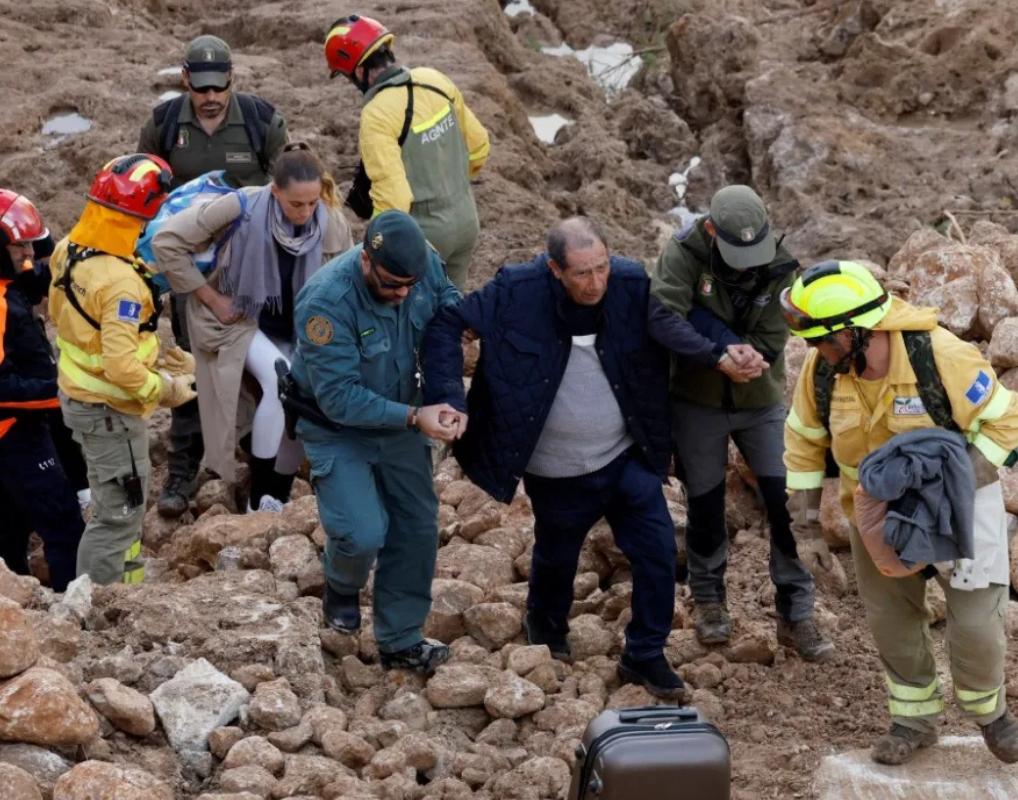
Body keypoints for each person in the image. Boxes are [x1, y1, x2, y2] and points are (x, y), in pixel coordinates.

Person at [423, 217, 735, 700]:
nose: (596, 283)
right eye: (582, 274)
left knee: (656, 552)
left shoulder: (630, 283)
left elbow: (684, 312)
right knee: (557, 553)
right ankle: (546, 628)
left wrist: (726, 348)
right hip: (556, 468)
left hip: (624, 455)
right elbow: (447, 324)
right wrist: (449, 396)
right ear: (554, 269)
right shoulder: (516, 291)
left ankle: (645, 654)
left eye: (602, 268)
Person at [781, 259, 1018, 765]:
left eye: (824, 340)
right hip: (873, 517)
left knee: (977, 623)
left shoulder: (942, 356)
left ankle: (992, 713)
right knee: (891, 619)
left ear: (857, 331)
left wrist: (952, 486)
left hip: (959, 506)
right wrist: (805, 528)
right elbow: (804, 443)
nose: (817, 352)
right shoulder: (824, 371)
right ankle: (913, 719)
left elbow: (1009, 424)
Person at [650, 185, 832, 659]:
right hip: (697, 400)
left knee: (788, 500)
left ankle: (797, 613)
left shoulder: (778, 261)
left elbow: (774, 331)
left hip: (760, 398)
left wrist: (751, 356)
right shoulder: (684, 253)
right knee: (706, 505)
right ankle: (709, 601)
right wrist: (716, 355)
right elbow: (663, 316)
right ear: (711, 231)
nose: (748, 263)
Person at [290, 210, 462, 674]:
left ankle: (400, 639)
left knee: (417, 527)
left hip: (404, 420)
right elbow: (340, 399)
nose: (403, 294)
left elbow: (448, 309)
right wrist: (415, 416)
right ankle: (341, 584)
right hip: (338, 428)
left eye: (411, 285)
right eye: (392, 285)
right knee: (362, 533)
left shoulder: (421, 264)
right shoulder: (326, 303)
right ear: (366, 260)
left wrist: (448, 394)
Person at [139, 33, 290, 519]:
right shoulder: (164, 124)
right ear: (185, 80)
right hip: (191, 270)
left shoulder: (261, 121)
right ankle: (184, 469)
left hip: (255, 268)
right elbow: (145, 192)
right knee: (193, 363)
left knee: (262, 357)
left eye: (217, 87)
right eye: (199, 87)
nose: (209, 97)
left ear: (231, 79)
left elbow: (288, 189)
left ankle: (257, 450)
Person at [153, 143, 352, 512]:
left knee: (304, 400)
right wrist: (212, 298)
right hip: (237, 319)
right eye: (296, 204)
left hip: (298, 330)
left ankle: (276, 493)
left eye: (313, 203)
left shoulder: (332, 224)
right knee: (282, 383)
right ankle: (259, 497)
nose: (306, 213)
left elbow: (346, 288)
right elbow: (167, 241)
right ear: (275, 191)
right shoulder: (241, 207)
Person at [49, 154, 197, 585]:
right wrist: (167, 387)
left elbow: (76, 324)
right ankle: (100, 606)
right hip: (111, 414)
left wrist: (153, 355)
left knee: (118, 505)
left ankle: (126, 588)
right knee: (119, 513)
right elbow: (117, 364)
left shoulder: (70, 249)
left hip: (82, 402)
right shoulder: (121, 282)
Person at [0, 188, 85, 592]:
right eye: (20, 245)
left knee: (8, 523)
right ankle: (72, 610)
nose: (29, 252)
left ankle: (5, 593)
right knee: (63, 526)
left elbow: (24, 283)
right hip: (12, 432)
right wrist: (61, 390)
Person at [324, 14, 490, 289]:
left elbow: (394, 199)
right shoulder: (433, 79)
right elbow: (479, 147)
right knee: (451, 311)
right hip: (466, 219)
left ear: (357, 71)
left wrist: (376, 246)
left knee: (406, 315)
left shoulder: (376, 114)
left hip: (424, 236)